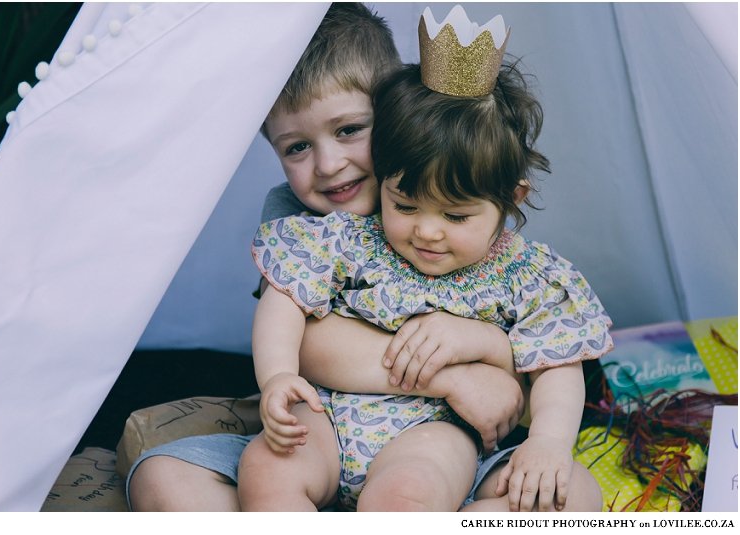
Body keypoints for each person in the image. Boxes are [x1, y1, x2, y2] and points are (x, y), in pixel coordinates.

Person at [126, 3, 523, 512]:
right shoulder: (293, 216)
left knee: (566, 497)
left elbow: (531, 339)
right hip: (322, 428)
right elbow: (309, 342)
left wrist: (484, 339)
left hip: (431, 443)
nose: (329, 166)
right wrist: (453, 376)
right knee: (160, 478)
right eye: (296, 148)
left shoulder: (452, 200)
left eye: (349, 130)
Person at [238, 8, 610, 512]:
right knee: (264, 466)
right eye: (406, 206)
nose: (426, 231)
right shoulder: (340, 232)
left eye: (454, 216)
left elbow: (556, 362)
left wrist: (548, 441)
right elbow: (285, 302)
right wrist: (277, 377)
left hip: (431, 430)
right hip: (327, 414)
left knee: (412, 493)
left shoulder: (527, 273)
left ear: (511, 200)